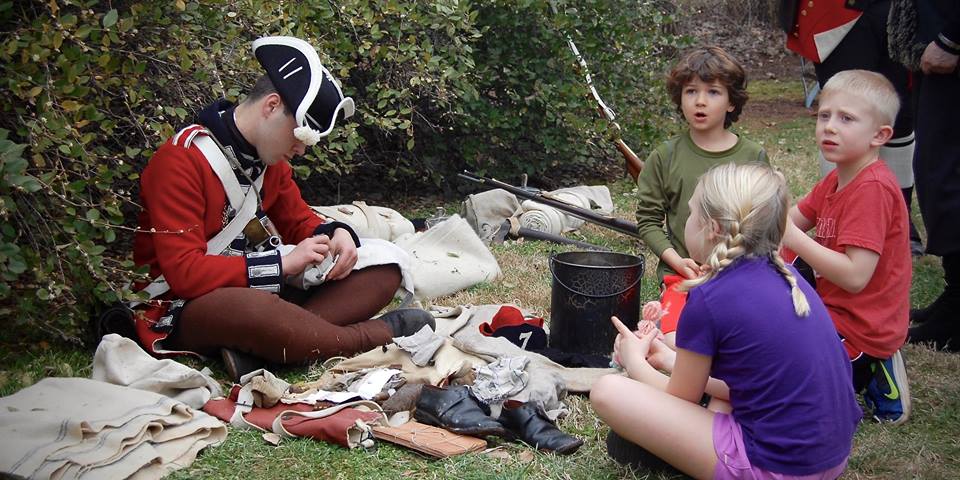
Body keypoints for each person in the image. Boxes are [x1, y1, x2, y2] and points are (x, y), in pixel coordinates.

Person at [131, 36, 433, 381]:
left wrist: (336, 234)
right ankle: (369, 337)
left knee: (385, 265)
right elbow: (184, 274)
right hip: (183, 306)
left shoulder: (269, 162)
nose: (301, 150)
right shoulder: (180, 160)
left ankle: (278, 345)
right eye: (299, 136)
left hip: (259, 292)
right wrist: (281, 264)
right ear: (272, 106)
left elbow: (298, 220)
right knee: (249, 311)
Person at [593, 163, 860, 479]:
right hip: (827, 460)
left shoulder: (709, 296)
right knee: (717, 397)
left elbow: (680, 400)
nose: (686, 222)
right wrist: (669, 359)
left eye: (691, 214)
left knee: (608, 390)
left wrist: (634, 360)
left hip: (774, 467)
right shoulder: (788, 278)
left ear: (712, 228)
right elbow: (758, 382)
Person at [782, 70, 912, 423]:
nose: (830, 127)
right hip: (831, 311)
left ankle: (876, 371)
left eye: (846, 118)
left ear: (879, 135)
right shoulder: (838, 177)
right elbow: (787, 222)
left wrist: (794, 239)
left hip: (862, 326)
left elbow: (856, 276)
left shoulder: (872, 190)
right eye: (824, 115)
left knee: (787, 378)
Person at [635, 45, 768, 346]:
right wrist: (678, 260)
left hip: (740, 274)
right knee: (676, 340)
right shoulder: (665, 157)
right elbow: (648, 222)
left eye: (713, 92)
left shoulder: (752, 156)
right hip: (684, 276)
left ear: (732, 102)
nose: (700, 101)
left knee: (743, 338)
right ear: (679, 98)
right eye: (691, 91)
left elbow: (762, 224)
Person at [783, 0, 924, 255]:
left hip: (902, 9)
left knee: (900, 116)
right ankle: (835, 220)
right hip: (838, 11)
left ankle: (898, 218)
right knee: (842, 106)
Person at [897, 0, 960, 352]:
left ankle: (957, 311)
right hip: (933, 47)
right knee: (937, 171)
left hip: (947, 48)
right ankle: (955, 294)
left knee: (946, 175)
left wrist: (951, 39)